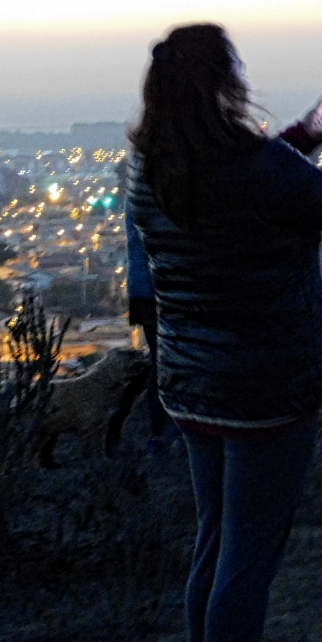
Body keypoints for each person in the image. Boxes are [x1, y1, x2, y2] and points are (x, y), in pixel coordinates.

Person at [127, 23, 322, 642]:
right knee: (247, 557)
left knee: (214, 545)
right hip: (266, 386)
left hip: (193, 386)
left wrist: (306, 132)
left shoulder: (151, 169)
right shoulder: (254, 163)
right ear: (225, 83)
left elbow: (252, 191)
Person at [123, 187, 177, 452]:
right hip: (163, 288)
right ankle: (168, 433)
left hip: (145, 289)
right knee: (172, 364)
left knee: (161, 363)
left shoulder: (139, 180)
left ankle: (160, 433)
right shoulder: (160, 182)